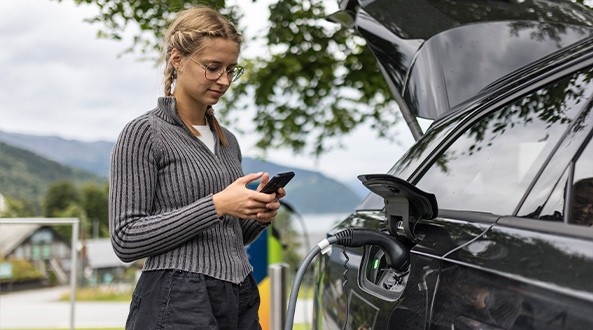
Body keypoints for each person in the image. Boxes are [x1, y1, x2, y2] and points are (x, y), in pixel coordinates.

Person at [108, 5, 286, 329]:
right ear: (177, 59)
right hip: (177, 298)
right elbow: (126, 238)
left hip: (239, 292)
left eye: (232, 69)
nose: (224, 80)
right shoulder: (144, 133)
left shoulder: (227, 141)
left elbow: (225, 235)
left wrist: (256, 215)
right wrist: (217, 204)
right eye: (213, 67)